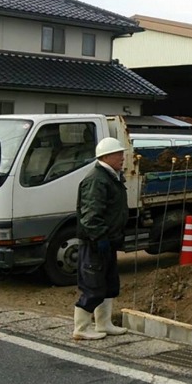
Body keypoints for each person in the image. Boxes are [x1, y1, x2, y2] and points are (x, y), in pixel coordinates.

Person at [72, 137, 129, 340]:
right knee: (93, 286)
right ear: (106, 156)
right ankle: (81, 328)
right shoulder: (97, 179)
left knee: (109, 284)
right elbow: (91, 215)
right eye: (118, 154)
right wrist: (100, 237)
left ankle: (103, 324)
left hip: (107, 240)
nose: (123, 157)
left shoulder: (111, 176)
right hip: (95, 243)